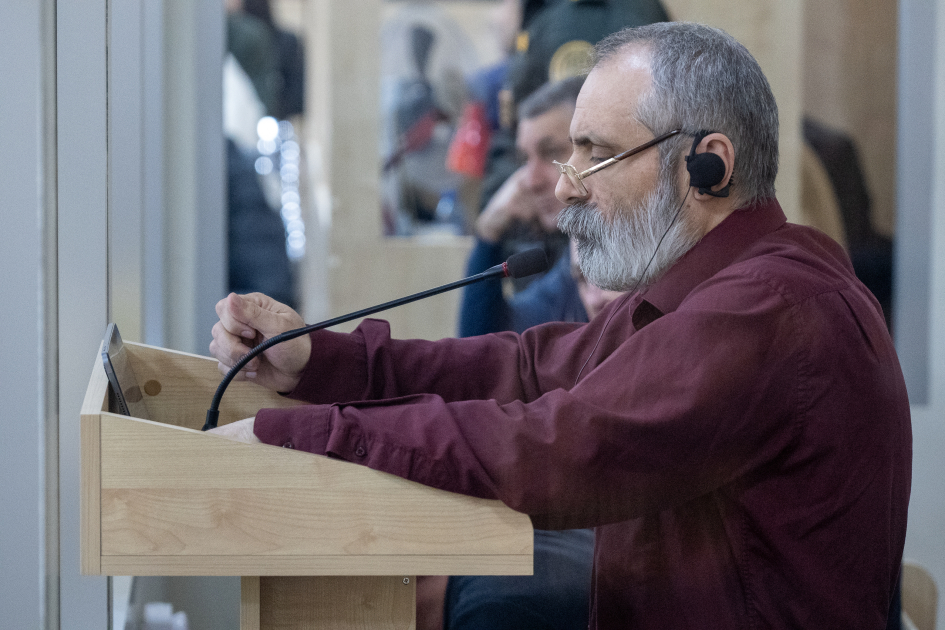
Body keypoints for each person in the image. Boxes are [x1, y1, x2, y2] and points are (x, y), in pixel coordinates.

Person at [209, 23, 911, 630]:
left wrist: (306, 436)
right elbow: (529, 369)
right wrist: (322, 364)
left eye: (594, 153)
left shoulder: (765, 310)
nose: (568, 184)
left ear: (709, 166)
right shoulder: (720, 287)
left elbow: (556, 448)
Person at [459, 77, 585, 337]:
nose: (529, 182)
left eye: (550, 153)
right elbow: (482, 345)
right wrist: (488, 234)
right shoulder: (571, 262)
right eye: (525, 159)